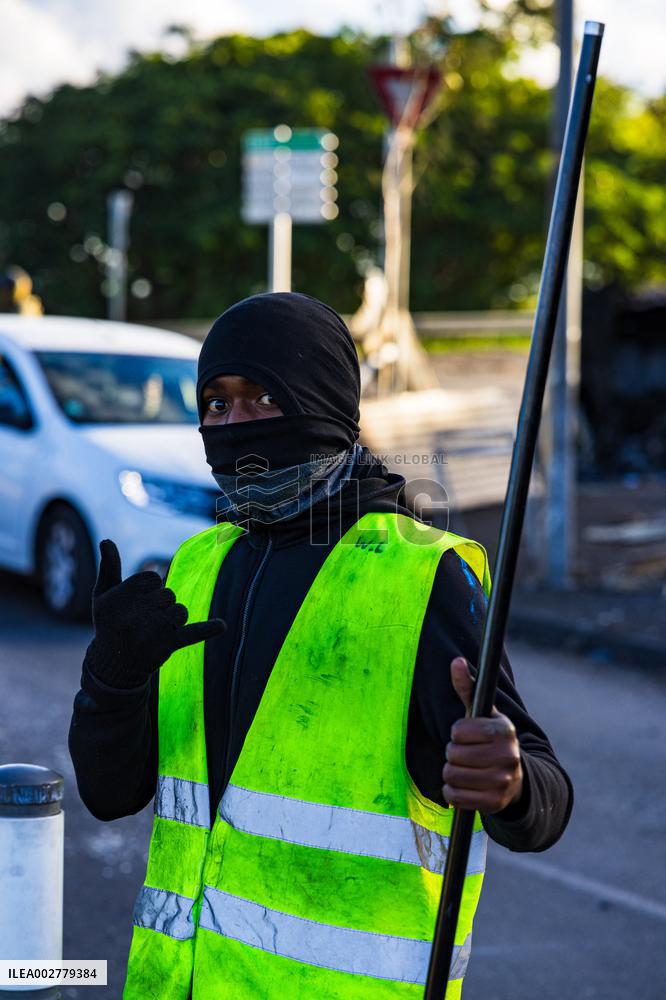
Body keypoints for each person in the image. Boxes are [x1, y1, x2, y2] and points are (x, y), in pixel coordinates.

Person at [69, 292, 573, 1000]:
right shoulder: (196, 566)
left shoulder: (416, 576)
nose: (235, 424)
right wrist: (112, 677)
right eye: (216, 403)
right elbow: (110, 794)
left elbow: (543, 797)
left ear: (326, 403)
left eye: (266, 397)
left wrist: (511, 785)